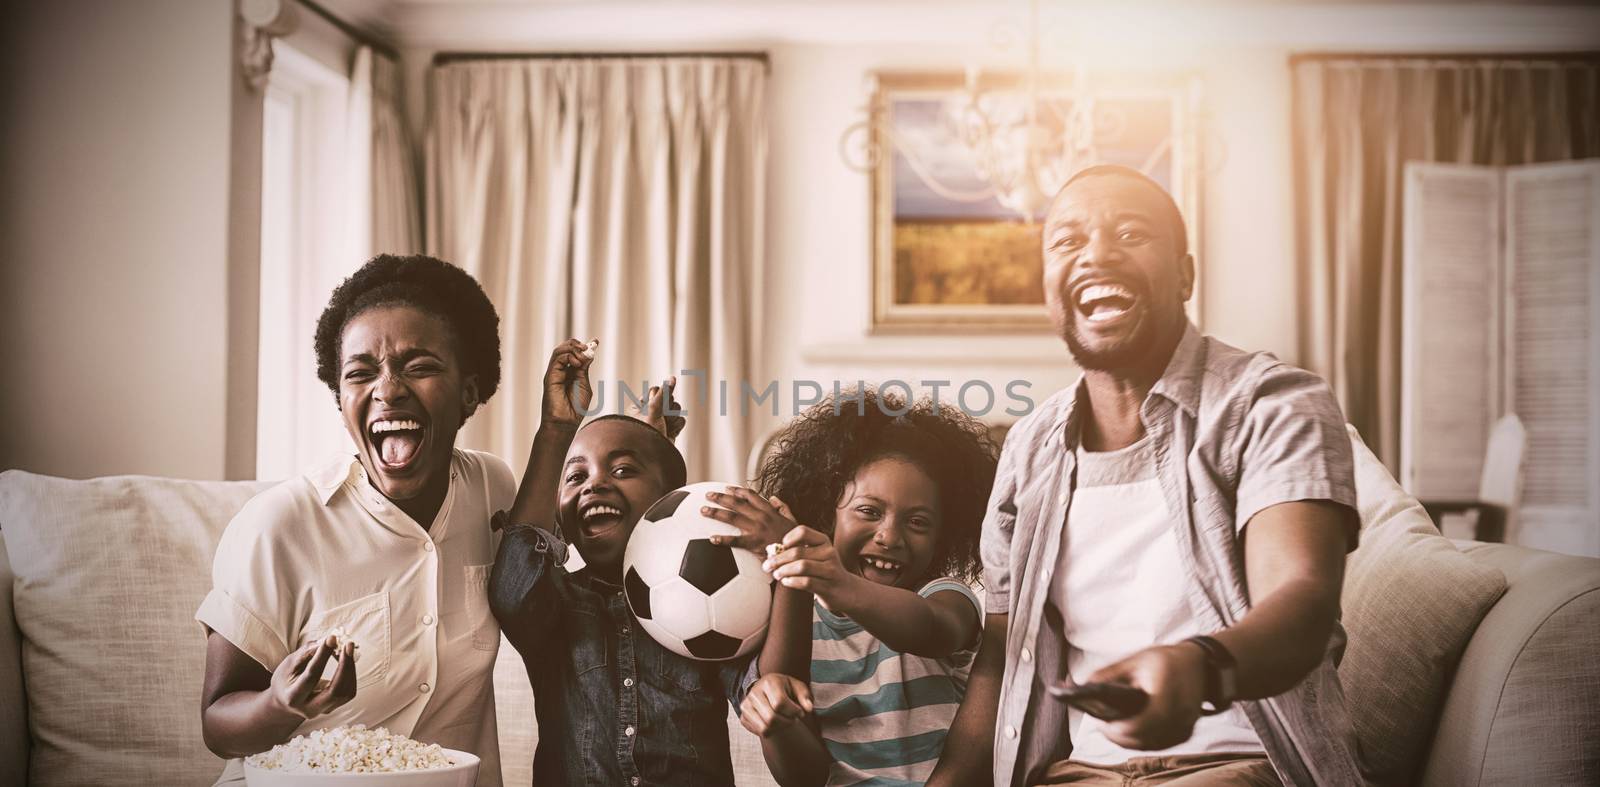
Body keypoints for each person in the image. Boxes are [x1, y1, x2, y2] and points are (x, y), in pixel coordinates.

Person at [929, 165, 1365, 787]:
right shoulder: (1029, 447)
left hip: (1243, 766)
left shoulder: (1273, 404)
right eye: (1067, 242)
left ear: (1185, 275)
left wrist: (1201, 668)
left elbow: (1301, 604)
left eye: (1131, 234)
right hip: (1078, 773)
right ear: (1047, 284)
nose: (1097, 255)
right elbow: (1000, 657)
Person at [196, 254, 513, 785]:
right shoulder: (280, 526)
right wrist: (282, 704)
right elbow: (218, 725)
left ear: (469, 392)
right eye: (360, 373)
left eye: (420, 366)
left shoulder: (492, 490)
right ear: (341, 399)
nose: (387, 390)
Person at [488, 339, 762, 786]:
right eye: (575, 476)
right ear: (559, 515)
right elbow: (514, 585)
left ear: (669, 501)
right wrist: (557, 429)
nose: (593, 485)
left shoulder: (712, 596)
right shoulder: (556, 603)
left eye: (622, 470)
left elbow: (757, 688)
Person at [719, 389, 998, 786]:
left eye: (917, 522)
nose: (889, 536)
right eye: (869, 511)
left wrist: (831, 578)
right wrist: (774, 719)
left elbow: (930, 629)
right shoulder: (796, 616)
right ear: (824, 513)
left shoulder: (944, 597)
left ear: (945, 536)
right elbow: (800, 771)